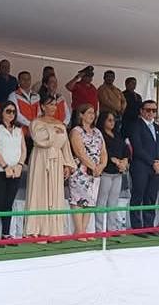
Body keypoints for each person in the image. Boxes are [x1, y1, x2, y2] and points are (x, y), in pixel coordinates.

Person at [24, 90, 77, 240]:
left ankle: (54, 231)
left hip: (57, 159)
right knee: (39, 191)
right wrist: (53, 130)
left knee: (55, 193)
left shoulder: (60, 124)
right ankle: (37, 230)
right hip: (41, 158)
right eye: (50, 104)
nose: (53, 107)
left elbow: (65, 145)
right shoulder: (36, 122)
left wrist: (67, 164)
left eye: (55, 104)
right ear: (42, 106)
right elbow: (40, 139)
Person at [0, 101, 26, 246]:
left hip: (16, 171)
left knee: (9, 202)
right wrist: (5, 167)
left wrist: (20, 165)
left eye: (13, 112)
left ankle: (6, 233)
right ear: (1, 112)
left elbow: (23, 150)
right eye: (8, 111)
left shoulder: (19, 129)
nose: (11, 114)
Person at [68, 104, 107, 238]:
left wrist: (101, 166)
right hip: (81, 170)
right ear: (81, 115)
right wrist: (93, 167)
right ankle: (79, 230)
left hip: (95, 171)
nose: (92, 115)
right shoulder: (76, 131)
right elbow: (80, 152)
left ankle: (83, 231)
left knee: (91, 200)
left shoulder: (97, 132)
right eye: (89, 113)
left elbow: (103, 151)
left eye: (93, 113)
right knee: (78, 200)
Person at [128, 100, 159, 232]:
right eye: (148, 110)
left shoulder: (157, 127)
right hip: (141, 167)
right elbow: (138, 148)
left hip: (156, 168)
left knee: (151, 197)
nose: (151, 113)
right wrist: (153, 163)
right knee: (138, 196)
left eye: (154, 110)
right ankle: (137, 227)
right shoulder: (135, 126)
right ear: (141, 111)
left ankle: (149, 226)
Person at [95, 112, 129, 233]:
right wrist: (115, 161)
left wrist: (124, 161)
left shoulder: (117, 134)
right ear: (103, 121)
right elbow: (103, 151)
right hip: (106, 172)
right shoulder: (100, 135)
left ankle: (112, 228)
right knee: (102, 201)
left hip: (117, 172)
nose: (112, 122)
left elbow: (125, 149)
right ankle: (99, 229)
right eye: (109, 120)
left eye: (113, 120)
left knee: (113, 202)